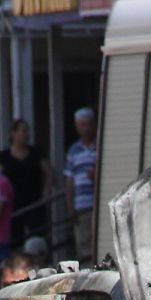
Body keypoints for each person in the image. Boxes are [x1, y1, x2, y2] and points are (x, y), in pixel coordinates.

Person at [0, 119, 46, 241]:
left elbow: (48, 172)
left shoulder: (36, 153)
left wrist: (46, 191)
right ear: (13, 133)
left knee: (37, 235)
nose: (26, 134)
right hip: (13, 203)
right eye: (23, 131)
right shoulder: (4, 156)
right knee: (16, 238)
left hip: (34, 200)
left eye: (27, 131)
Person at [64, 107, 99, 264]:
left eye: (88, 124)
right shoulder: (73, 151)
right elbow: (69, 181)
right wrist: (70, 208)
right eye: (82, 125)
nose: (86, 128)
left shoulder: (100, 145)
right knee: (84, 247)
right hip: (81, 206)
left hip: (98, 204)